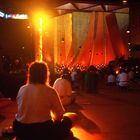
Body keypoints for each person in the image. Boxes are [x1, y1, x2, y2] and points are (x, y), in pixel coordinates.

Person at [12, 61, 75, 140]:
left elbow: (20, 111)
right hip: (43, 131)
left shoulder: (22, 89)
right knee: (71, 117)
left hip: (20, 129)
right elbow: (59, 116)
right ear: (46, 74)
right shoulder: (50, 91)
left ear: (30, 74)